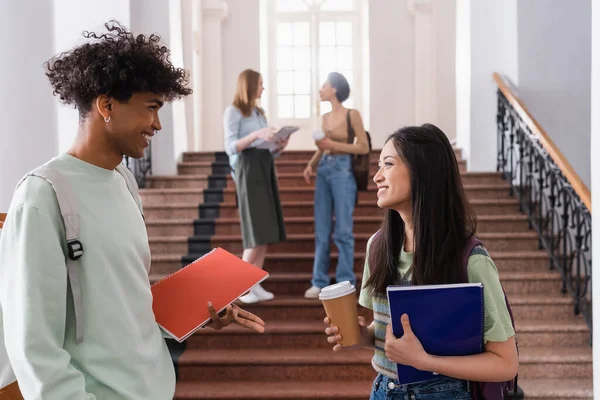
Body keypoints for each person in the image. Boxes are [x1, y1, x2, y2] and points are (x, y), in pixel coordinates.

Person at [0, 21, 265, 400]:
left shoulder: (124, 181)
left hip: (152, 388)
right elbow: (32, 346)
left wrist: (196, 311)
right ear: (106, 104)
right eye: (151, 108)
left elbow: (124, 299)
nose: (157, 124)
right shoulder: (42, 196)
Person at [323, 124, 518, 399]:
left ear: (423, 172)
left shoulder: (471, 260)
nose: (377, 176)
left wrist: (425, 362)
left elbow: (505, 364)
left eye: (388, 164)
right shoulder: (377, 247)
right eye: (379, 165)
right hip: (383, 391)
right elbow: (386, 338)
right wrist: (357, 336)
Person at [223, 69, 289, 304]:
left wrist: (279, 144)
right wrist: (256, 135)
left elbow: (267, 146)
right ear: (249, 85)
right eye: (260, 84)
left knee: (265, 232)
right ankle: (238, 288)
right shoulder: (234, 111)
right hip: (248, 170)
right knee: (255, 231)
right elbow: (231, 146)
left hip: (264, 165)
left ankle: (254, 284)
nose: (263, 88)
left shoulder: (259, 112)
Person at [303, 72, 369, 299]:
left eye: (324, 85)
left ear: (335, 89)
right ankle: (318, 281)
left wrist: (333, 144)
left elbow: (363, 147)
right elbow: (323, 147)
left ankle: (345, 281)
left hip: (343, 171)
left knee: (343, 231)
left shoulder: (353, 114)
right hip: (323, 169)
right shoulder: (325, 117)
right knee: (321, 230)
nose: (321, 89)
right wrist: (311, 165)